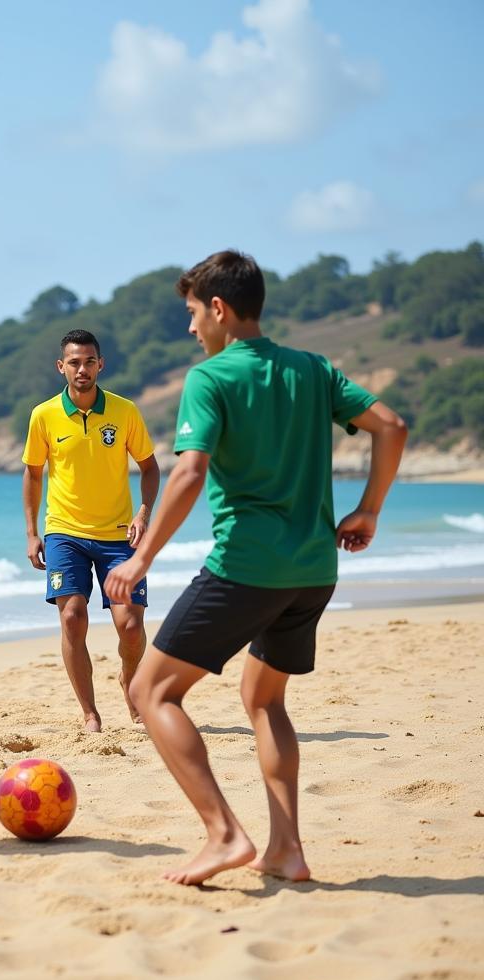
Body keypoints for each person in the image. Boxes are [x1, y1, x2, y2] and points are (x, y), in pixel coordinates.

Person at [105, 250, 408, 886]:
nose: (191, 328)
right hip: (313, 569)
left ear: (218, 308)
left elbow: (188, 471)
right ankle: (286, 849)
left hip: (246, 567)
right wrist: (368, 511)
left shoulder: (211, 378)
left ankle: (223, 834)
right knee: (263, 698)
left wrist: (141, 557)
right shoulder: (313, 368)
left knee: (151, 691)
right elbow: (390, 426)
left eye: (192, 313)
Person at [23, 328, 161, 733]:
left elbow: (149, 467)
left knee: (131, 626)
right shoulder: (43, 415)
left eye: (89, 362)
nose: (82, 369)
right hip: (64, 532)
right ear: (61, 367)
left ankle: (130, 685)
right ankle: (90, 713)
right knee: (72, 616)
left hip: (119, 535)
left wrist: (144, 512)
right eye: (74, 362)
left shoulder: (125, 411)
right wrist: (32, 533)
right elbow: (33, 476)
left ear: (100, 364)